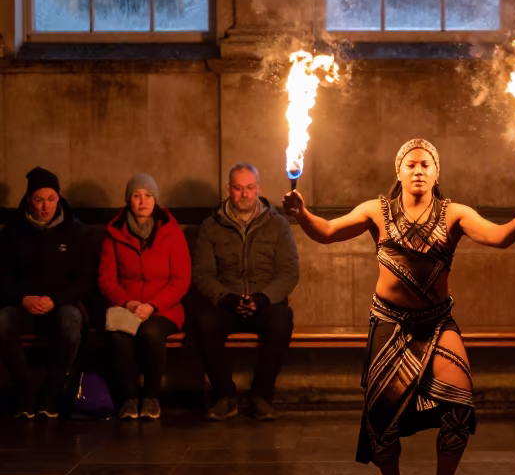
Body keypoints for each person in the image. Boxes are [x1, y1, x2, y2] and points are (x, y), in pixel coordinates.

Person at [283, 139, 515, 475]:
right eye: (411, 165)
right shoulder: (377, 210)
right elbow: (327, 231)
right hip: (390, 322)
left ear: (437, 173)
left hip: (436, 323)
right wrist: (302, 214)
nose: (418, 170)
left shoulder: (455, 213)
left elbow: (497, 238)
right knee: (381, 418)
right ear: (398, 172)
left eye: (425, 165)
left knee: (458, 405)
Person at [192, 163, 299, 421]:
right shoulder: (211, 226)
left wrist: (263, 298)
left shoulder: (277, 224)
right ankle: (225, 396)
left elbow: (289, 271)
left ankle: (261, 396)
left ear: (258, 189)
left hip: (265, 303)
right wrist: (227, 299)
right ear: (229, 189)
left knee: (282, 319)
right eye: (238, 188)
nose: (244, 194)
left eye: (250, 188)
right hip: (227, 302)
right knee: (204, 321)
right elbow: (203, 273)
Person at [0, 166, 93, 418]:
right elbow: (3, 277)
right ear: (30, 199)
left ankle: (52, 392)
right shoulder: (13, 232)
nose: (45, 207)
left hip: (61, 304)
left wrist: (56, 299)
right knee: (2, 323)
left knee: (70, 323)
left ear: (58, 198)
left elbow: (85, 278)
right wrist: (23, 298)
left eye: (51, 199)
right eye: (39, 200)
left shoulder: (74, 230)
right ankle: (26, 390)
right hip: (24, 305)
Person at [98, 174, 191, 420]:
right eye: (137, 195)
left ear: (156, 200)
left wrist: (152, 305)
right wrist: (128, 303)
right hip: (126, 306)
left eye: (148, 195)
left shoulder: (171, 233)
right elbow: (106, 279)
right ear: (128, 200)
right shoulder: (114, 233)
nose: (143, 201)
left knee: (151, 332)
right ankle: (129, 399)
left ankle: (151, 397)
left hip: (164, 308)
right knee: (119, 336)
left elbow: (181, 280)